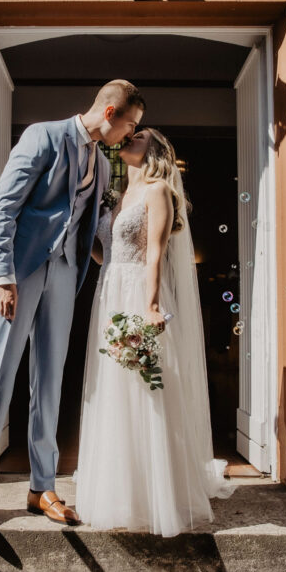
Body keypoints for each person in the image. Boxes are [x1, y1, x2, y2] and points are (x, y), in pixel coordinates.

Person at [0, 80, 144, 532]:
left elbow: (90, 226)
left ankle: (41, 486)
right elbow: (3, 207)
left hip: (64, 275)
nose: (130, 134)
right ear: (109, 112)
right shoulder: (43, 136)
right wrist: (3, 276)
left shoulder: (103, 166)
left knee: (50, 379)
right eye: (130, 124)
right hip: (19, 274)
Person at [74, 127, 235, 537]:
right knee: (113, 389)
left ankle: (153, 493)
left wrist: (149, 306)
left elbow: (155, 254)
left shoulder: (158, 191)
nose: (129, 138)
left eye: (139, 136)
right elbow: (106, 252)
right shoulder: (116, 196)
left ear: (156, 149)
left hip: (139, 293)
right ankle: (118, 490)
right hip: (110, 292)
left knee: (145, 388)